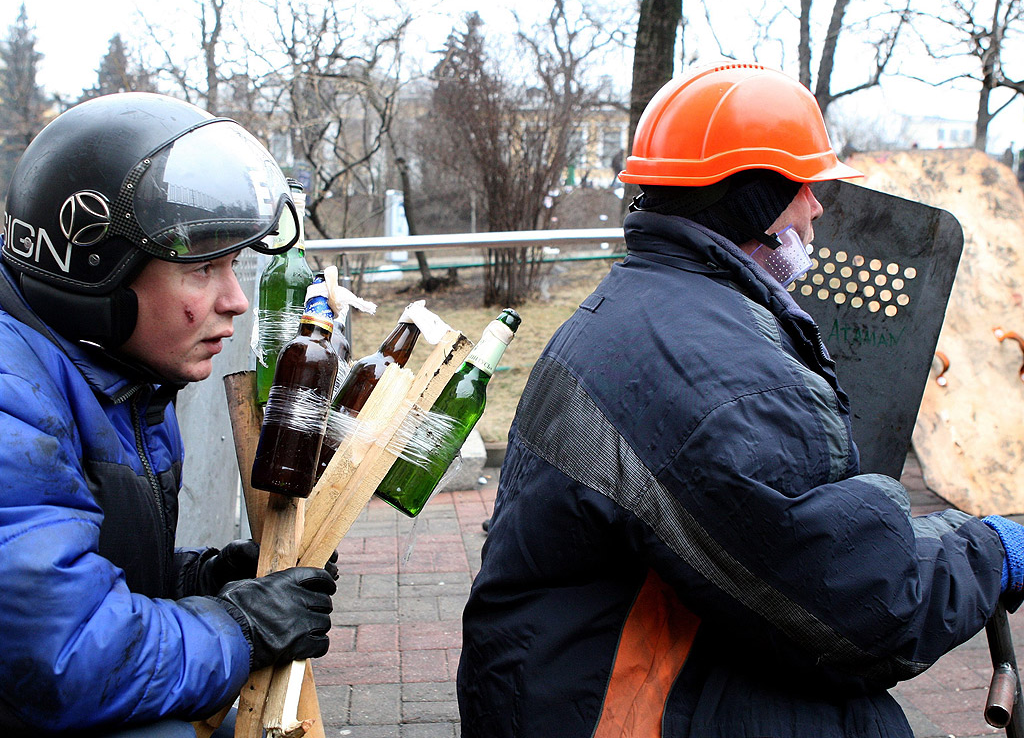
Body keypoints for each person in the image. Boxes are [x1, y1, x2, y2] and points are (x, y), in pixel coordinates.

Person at [456, 61, 1024, 737]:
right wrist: (992, 549)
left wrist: (932, 534)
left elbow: (786, 534)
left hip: (556, 676)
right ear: (753, 200)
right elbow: (863, 612)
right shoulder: (724, 378)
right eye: (803, 186)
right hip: (607, 709)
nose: (817, 208)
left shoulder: (640, 301)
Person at [0, 92, 338, 736]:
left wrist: (206, 579)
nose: (236, 300)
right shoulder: (11, 398)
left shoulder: (113, 370)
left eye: (233, 265)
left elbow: (75, 576)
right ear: (95, 270)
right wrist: (240, 627)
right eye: (204, 268)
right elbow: (59, 659)